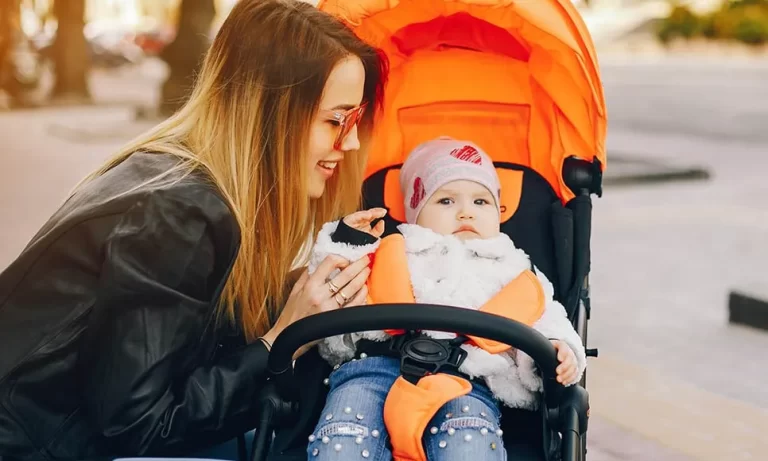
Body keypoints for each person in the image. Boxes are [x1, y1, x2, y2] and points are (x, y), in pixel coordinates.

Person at [0, 1, 387, 460]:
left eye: (355, 120)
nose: (353, 143)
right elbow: (141, 426)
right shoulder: (177, 211)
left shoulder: (182, 179)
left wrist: (307, 288)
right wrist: (284, 337)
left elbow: (195, 326)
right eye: (335, 121)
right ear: (268, 112)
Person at [305, 137, 587, 461]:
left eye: (481, 202)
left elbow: (547, 315)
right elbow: (332, 288)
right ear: (415, 212)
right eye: (446, 201)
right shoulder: (388, 251)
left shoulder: (514, 268)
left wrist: (558, 348)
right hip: (373, 368)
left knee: (470, 438)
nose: (466, 212)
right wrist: (345, 243)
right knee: (343, 436)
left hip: (465, 379)